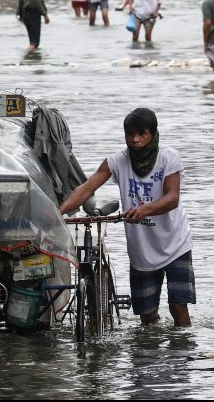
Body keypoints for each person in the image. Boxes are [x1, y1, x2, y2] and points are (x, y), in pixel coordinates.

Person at [58, 108, 195, 327]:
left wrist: (144, 210)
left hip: (175, 243)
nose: (135, 140)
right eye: (130, 134)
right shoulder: (117, 161)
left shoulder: (169, 158)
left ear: (153, 134)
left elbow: (172, 198)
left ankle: (184, 346)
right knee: (147, 317)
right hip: (142, 250)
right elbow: (86, 189)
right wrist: (59, 212)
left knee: (178, 306)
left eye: (141, 134)